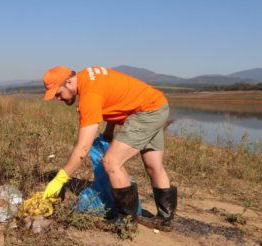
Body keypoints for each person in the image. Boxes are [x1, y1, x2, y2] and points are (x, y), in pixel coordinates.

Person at [41, 66, 177, 231]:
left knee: (112, 162)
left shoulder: (89, 95)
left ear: (69, 82)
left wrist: (59, 180)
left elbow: (83, 148)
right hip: (157, 104)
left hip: (145, 112)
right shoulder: (89, 76)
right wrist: (109, 131)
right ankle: (165, 219)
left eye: (58, 93)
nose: (58, 98)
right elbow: (115, 99)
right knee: (153, 164)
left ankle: (126, 221)